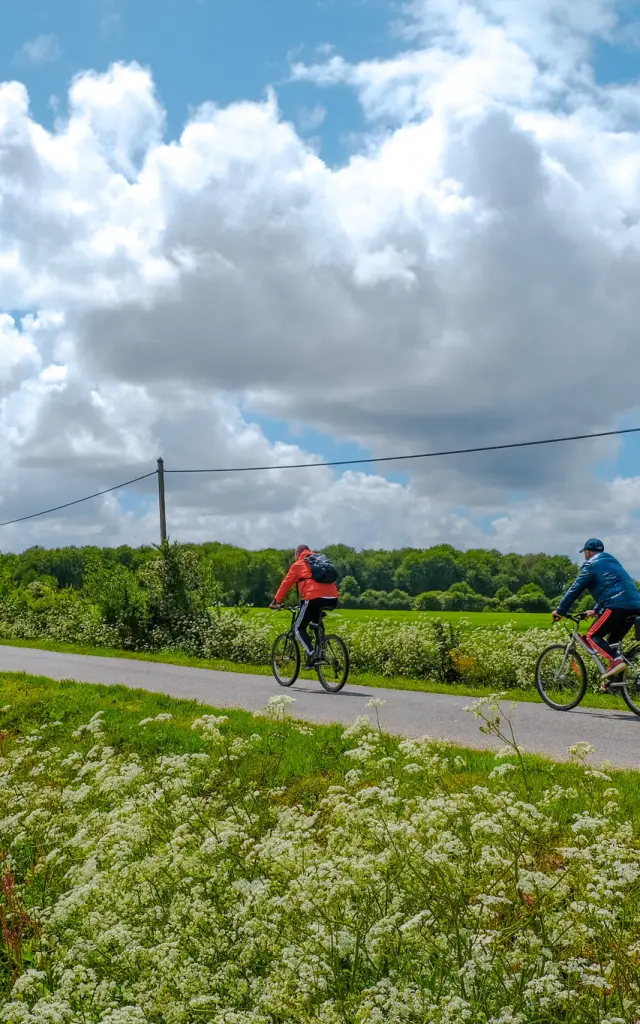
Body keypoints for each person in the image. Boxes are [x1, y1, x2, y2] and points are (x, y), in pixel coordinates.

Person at [553, 538, 640, 687]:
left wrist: (560, 610)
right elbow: (612, 587)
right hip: (635, 606)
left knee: (592, 636)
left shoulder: (590, 564)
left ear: (587, 552)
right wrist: (596, 610)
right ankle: (615, 681)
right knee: (613, 643)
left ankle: (615, 661)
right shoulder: (613, 562)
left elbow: (576, 588)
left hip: (615, 605)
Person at [270, 545, 339, 665]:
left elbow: (285, 584)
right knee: (316, 622)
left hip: (313, 597)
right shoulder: (320, 561)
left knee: (298, 627)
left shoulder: (298, 564)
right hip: (332, 598)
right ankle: (322, 651)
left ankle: (312, 654)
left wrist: (276, 601)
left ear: (298, 554)